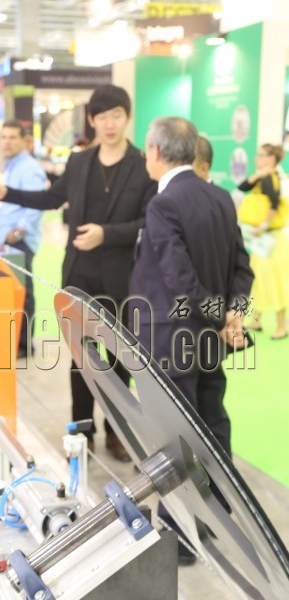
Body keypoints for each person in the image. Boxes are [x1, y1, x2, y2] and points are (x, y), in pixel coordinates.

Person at [0, 84, 158, 461]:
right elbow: (51, 197)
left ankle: (117, 432)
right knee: (81, 358)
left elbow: (148, 221)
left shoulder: (142, 166)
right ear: (92, 120)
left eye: (116, 116)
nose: (109, 124)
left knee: (117, 360)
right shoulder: (79, 162)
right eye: (102, 117)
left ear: (127, 118)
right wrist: (7, 193)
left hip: (121, 278)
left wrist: (107, 234)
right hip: (78, 276)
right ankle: (82, 431)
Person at [129, 117, 254, 564]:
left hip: (171, 339)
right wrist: (233, 315)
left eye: (146, 150)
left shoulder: (163, 204)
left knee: (177, 437)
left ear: (157, 152)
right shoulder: (219, 197)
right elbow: (242, 267)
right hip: (209, 341)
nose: (145, 157)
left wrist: (222, 317)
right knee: (213, 423)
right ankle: (218, 512)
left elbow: (180, 280)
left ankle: (183, 534)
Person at [0, 120, 47, 358]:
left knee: (23, 293)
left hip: (20, 241)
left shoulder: (29, 168)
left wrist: (17, 232)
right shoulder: (13, 165)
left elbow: (36, 204)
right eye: (4, 137)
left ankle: (24, 346)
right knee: (13, 291)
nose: (7, 142)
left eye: (12, 137)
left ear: (24, 141)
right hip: (7, 239)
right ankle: (16, 341)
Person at [237, 143, 289, 339]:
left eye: (261, 155)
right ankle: (256, 319)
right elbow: (243, 186)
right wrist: (257, 174)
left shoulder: (271, 178)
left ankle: (281, 325)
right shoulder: (263, 176)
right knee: (258, 279)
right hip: (263, 241)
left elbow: (274, 204)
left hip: (271, 240)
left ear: (271, 159)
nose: (256, 159)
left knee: (275, 282)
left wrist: (263, 225)